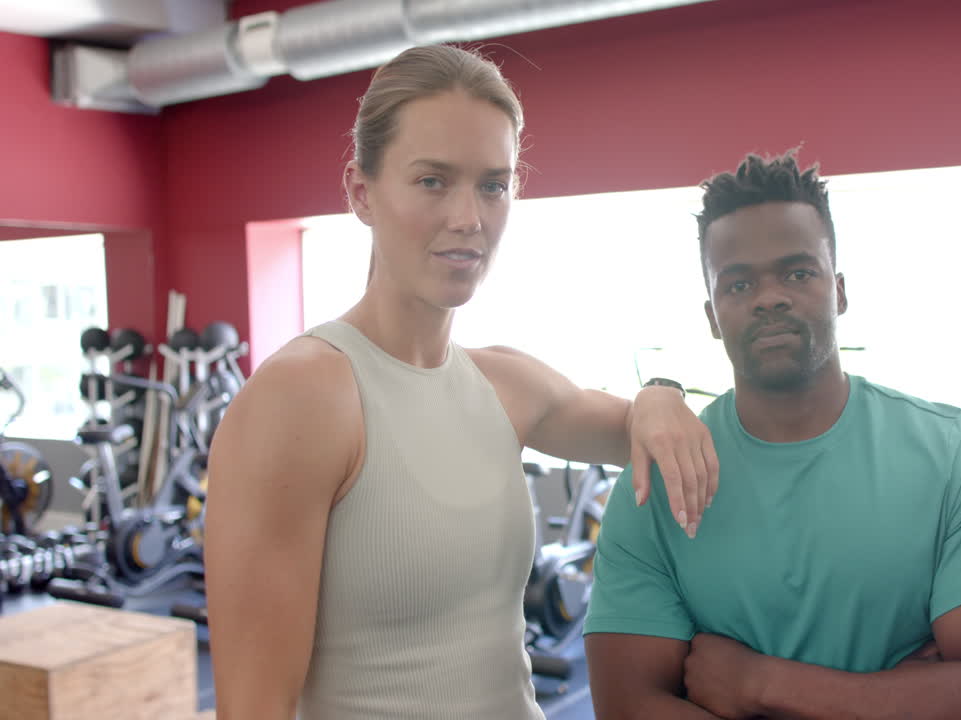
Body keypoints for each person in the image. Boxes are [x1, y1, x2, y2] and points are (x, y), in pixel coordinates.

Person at [203, 45, 718, 720]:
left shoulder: (502, 382)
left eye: (493, 184)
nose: (469, 218)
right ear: (361, 192)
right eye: (432, 181)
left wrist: (660, 394)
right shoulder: (303, 396)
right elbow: (253, 710)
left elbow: (636, 429)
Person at [583, 151, 961, 719]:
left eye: (797, 272)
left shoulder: (957, 456)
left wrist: (760, 683)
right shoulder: (657, 482)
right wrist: (891, 700)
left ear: (838, 292)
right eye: (737, 285)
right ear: (712, 315)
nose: (769, 297)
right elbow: (628, 706)